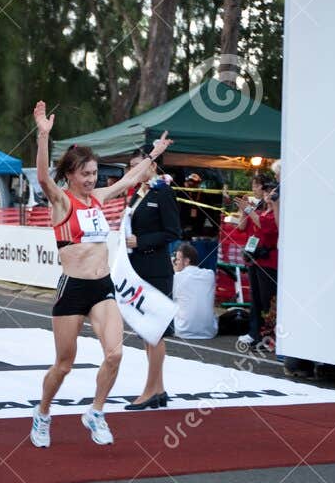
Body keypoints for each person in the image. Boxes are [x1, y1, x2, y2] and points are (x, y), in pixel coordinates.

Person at [30, 101, 170, 448]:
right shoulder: (62, 202)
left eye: (94, 174)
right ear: (72, 175)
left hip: (102, 287)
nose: (92, 180)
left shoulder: (98, 199)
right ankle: (43, 414)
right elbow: (44, 177)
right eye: (86, 174)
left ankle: (95, 411)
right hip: (73, 288)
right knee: (64, 365)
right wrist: (43, 136)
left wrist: (154, 154)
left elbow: (129, 179)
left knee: (115, 354)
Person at [122, 147, 182, 409]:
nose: (136, 170)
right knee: (148, 332)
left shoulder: (163, 192)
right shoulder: (137, 194)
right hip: (138, 268)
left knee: (155, 333)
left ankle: (149, 391)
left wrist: (141, 241)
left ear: (153, 166)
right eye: (132, 166)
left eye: (140, 164)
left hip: (156, 269)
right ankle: (158, 390)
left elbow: (173, 232)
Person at [235, 172, 280, 348]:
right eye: (266, 192)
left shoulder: (274, 213)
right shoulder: (260, 208)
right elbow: (242, 226)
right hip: (254, 257)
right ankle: (255, 333)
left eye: (271, 192)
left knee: (267, 299)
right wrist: (243, 209)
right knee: (256, 298)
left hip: (267, 259)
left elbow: (265, 226)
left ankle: (267, 335)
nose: (268, 195)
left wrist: (248, 209)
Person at [171, 242, 217, 340]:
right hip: (209, 332)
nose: (176, 262)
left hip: (182, 330)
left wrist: (175, 272)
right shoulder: (210, 275)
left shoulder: (177, 277)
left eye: (178, 259)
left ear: (187, 261)